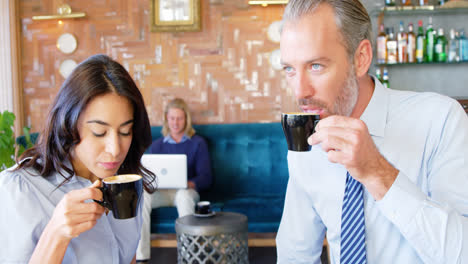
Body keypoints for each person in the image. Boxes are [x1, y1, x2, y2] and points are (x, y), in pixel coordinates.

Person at [276, 0, 468, 263]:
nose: (300, 92)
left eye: (316, 66)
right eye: (289, 69)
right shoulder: (307, 141)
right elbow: (295, 255)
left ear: (361, 58)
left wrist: (376, 171)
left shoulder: (441, 120)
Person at [0, 54, 156, 264]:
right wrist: (56, 233)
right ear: (68, 125)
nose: (115, 149)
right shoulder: (19, 190)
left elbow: (128, 256)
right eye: (99, 132)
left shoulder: (125, 183)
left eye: (125, 131)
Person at [137, 98, 212, 262]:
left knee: (184, 196)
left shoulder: (198, 143)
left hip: (186, 191)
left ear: (186, 120)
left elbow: (206, 177)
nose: (176, 123)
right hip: (162, 193)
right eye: (172, 118)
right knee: (142, 196)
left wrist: (188, 183)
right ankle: (141, 257)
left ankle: (189, 254)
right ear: (166, 119)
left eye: (179, 118)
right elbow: (152, 175)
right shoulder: (157, 145)